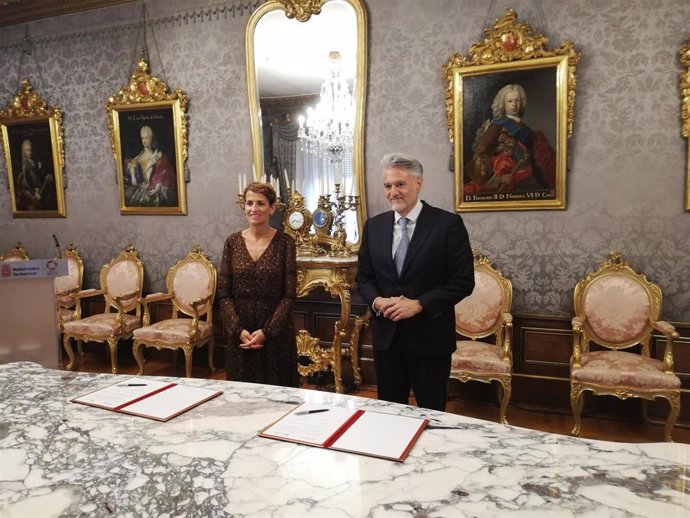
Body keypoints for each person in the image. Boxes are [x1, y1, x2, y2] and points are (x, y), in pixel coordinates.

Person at [356, 153, 475, 411]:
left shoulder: (447, 224)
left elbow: (463, 281)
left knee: (432, 412)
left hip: (430, 338)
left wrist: (419, 304)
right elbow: (364, 278)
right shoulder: (373, 227)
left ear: (418, 184)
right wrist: (377, 301)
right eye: (388, 186)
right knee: (390, 412)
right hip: (387, 338)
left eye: (400, 184)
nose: (393, 192)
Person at [217, 181, 299, 387]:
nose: (254, 209)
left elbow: (289, 294)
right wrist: (237, 330)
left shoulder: (285, 243)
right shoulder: (232, 242)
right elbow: (224, 293)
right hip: (241, 335)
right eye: (249, 203)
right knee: (241, 398)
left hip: (276, 334)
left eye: (260, 204)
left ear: (272, 208)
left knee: (279, 397)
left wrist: (267, 332)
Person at [465, 84, 556, 195]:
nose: (514, 104)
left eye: (517, 100)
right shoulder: (497, 126)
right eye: (510, 101)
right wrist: (498, 179)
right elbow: (480, 152)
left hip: (526, 177)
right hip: (504, 177)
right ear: (503, 104)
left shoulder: (527, 130)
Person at [124, 125, 177, 207]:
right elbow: (131, 165)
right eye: (142, 138)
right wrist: (133, 175)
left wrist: (157, 188)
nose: (144, 141)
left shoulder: (156, 156)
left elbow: (161, 174)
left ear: (151, 139)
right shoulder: (139, 157)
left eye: (146, 138)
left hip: (153, 187)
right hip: (140, 187)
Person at [15, 139, 54, 210]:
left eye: (30, 150)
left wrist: (45, 175)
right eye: (27, 150)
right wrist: (35, 192)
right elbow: (27, 182)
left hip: (39, 192)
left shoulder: (33, 162)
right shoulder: (25, 164)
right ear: (24, 152)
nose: (29, 152)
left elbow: (37, 176)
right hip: (31, 195)